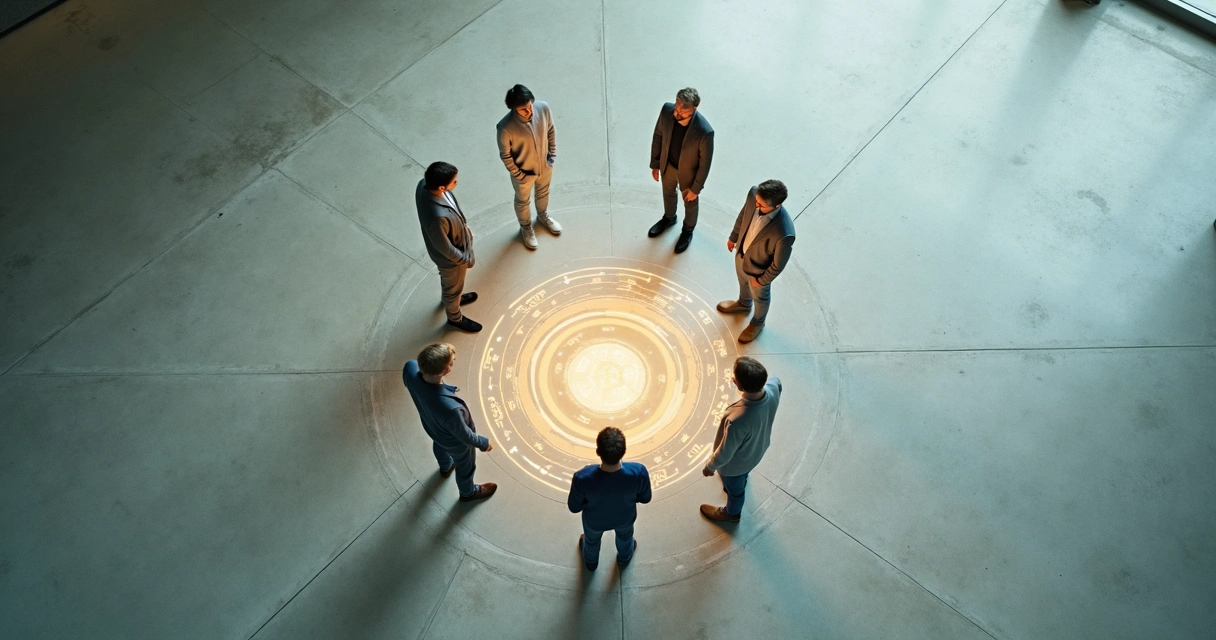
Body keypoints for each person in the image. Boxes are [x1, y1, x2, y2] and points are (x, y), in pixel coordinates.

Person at [402, 343, 497, 502]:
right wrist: (483, 443)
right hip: (456, 443)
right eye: (451, 362)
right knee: (466, 467)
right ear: (445, 371)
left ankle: (445, 467)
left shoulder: (410, 368)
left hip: (432, 427)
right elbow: (465, 436)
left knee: (439, 445)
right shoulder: (451, 409)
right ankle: (468, 492)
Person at [701, 357, 781, 522]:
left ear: (739, 385)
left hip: (734, 466)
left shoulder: (738, 420)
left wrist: (710, 466)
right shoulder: (773, 387)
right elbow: (777, 383)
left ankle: (731, 514)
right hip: (757, 451)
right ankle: (739, 481)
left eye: (734, 375)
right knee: (743, 475)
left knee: (736, 492)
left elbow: (725, 453)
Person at [717, 180, 796, 343]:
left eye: (761, 205)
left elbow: (778, 264)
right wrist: (734, 237)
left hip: (759, 273)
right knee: (742, 283)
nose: (756, 205)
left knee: (760, 299)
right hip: (742, 254)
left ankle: (758, 322)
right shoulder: (754, 195)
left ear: (777, 206)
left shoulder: (784, 232)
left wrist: (761, 281)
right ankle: (744, 303)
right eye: (756, 201)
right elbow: (743, 215)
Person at [567, 427, 652, 571]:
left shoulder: (582, 477)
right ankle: (624, 558)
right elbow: (645, 498)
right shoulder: (638, 472)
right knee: (625, 538)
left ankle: (591, 563)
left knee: (591, 541)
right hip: (625, 518)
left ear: (598, 452)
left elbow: (574, 507)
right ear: (624, 451)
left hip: (594, 521)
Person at [415, 161, 480, 332]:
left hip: (454, 251)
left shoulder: (423, 185)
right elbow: (445, 247)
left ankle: (451, 298)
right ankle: (454, 317)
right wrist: (464, 260)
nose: (456, 183)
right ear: (442, 187)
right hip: (452, 261)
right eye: (454, 182)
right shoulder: (437, 217)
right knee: (453, 288)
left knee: (450, 285)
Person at [648, 87, 714, 254]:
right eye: (677, 109)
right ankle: (669, 218)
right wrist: (655, 163)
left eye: (683, 112)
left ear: (694, 108)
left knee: (690, 204)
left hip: (689, 176)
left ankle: (687, 231)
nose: (677, 115)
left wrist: (695, 189)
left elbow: (705, 164)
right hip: (668, 165)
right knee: (668, 193)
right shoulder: (666, 111)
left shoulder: (705, 132)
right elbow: (658, 135)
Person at [497, 84, 561, 250]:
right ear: (513, 108)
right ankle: (525, 227)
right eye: (523, 109)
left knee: (543, 191)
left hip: (545, 165)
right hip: (523, 173)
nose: (529, 111)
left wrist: (552, 156)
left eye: (530, 105)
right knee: (522, 201)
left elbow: (551, 130)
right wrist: (519, 174)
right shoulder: (505, 127)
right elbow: (505, 155)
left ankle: (543, 215)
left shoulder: (543, 108)